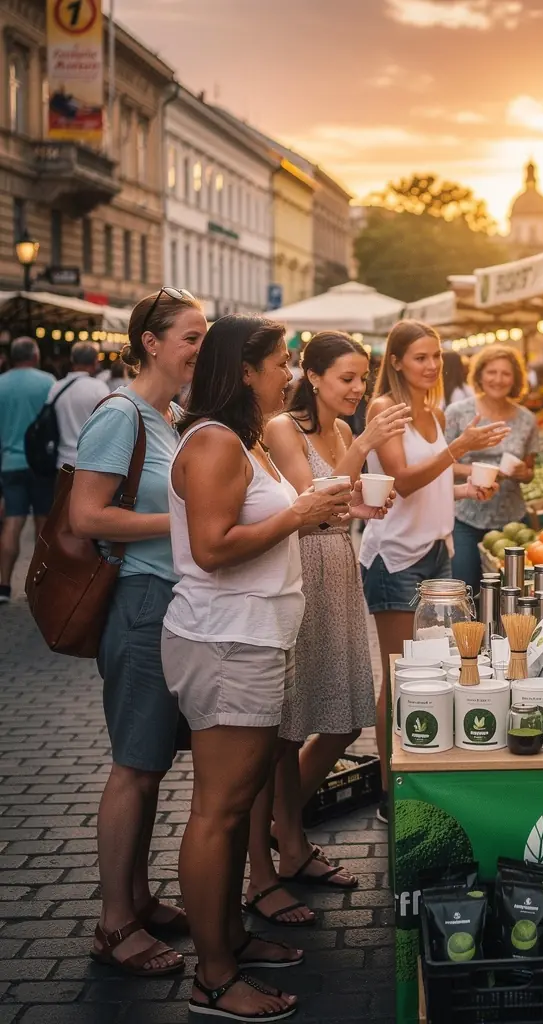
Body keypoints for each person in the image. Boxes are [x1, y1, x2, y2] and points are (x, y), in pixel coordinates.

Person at [162, 314, 351, 1022]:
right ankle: (212, 977)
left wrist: (306, 508)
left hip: (252, 638)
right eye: (281, 362)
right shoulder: (213, 442)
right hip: (224, 641)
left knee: (237, 806)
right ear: (243, 370)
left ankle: (231, 938)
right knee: (217, 812)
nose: (290, 373)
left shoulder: (245, 439)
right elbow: (212, 547)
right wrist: (300, 515)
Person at [69, 289, 207, 978]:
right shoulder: (120, 415)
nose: (199, 350)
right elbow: (88, 515)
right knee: (133, 765)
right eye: (190, 337)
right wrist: (184, 524)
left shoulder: (170, 417)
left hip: (172, 601)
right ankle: (114, 924)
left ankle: (140, 897)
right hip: (139, 601)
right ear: (150, 342)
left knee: (151, 763)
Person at [262, 331, 407, 893]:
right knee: (292, 719)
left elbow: (343, 505)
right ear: (312, 375)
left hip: (339, 565)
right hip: (301, 569)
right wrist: (367, 440)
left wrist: (372, 502)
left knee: (345, 716)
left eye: (361, 378)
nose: (356, 388)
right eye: (346, 378)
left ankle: (282, 823)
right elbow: (312, 498)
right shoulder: (282, 429)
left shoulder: (344, 430)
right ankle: (287, 838)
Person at [360, 320, 506, 823]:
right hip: (394, 558)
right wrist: (460, 449)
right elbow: (400, 479)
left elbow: (430, 483)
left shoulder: (432, 411)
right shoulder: (386, 410)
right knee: (399, 677)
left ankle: (420, 771)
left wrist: (465, 489)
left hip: (434, 552)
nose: (430, 365)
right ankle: (388, 791)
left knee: (429, 672)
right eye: (419, 357)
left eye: (436, 356)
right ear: (396, 361)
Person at [445, 345, 541, 592]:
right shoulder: (458, 412)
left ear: (515, 379)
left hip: (511, 520)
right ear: (479, 375)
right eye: (491, 372)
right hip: (466, 516)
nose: (498, 379)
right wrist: (477, 471)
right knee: (465, 590)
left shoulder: (527, 419)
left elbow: (530, 471)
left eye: (505, 374)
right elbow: (441, 461)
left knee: (511, 594)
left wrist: (523, 473)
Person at [0, 337, 55, 602]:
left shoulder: (1, 384)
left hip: (10, 463)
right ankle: (40, 586)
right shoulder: (48, 382)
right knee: (43, 524)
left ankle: (3, 585)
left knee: (12, 522)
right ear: (35, 356)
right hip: (41, 465)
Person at [47, 341, 112, 469]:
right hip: (91, 463)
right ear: (95, 362)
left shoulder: (56, 387)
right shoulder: (99, 388)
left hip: (62, 462)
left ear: (72, 360)